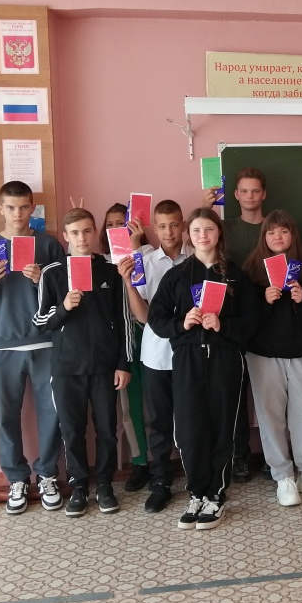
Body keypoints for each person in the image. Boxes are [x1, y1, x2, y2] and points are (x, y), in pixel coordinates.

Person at [147, 208, 257, 531]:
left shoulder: (235, 275)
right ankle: (196, 493)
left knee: (222, 426)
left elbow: (252, 320)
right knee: (190, 428)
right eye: (196, 230)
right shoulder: (177, 276)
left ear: (218, 232)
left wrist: (223, 326)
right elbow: (156, 318)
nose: (203, 236)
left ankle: (216, 494)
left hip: (225, 359)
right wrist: (182, 323)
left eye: (208, 229)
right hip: (187, 360)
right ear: (189, 234)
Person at [0, 180, 66, 515]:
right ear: (1, 209)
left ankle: (48, 475)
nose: (17, 213)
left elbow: (64, 296)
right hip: (4, 345)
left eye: (24, 207)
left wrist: (42, 281)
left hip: (45, 342)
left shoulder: (48, 244)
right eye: (11, 207)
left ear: (32, 208)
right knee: (6, 417)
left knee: (52, 413)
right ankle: (16, 480)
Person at [33, 208, 131, 517]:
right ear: (65, 236)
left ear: (95, 232)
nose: (82, 238)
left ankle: (104, 484)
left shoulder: (110, 271)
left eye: (87, 231)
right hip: (66, 367)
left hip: (104, 366)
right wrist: (63, 307)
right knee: (72, 430)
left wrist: (124, 362)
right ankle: (78, 486)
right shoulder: (52, 273)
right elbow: (40, 321)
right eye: (75, 233)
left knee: (107, 429)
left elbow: (123, 319)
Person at [243, 210, 302, 506]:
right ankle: (283, 476)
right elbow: (244, 319)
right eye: (271, 232)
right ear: (263, 237)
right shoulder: (251, 270)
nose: (277, 236)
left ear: (292, 234)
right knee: (271, 416)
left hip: (301, 350)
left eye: (283, 231)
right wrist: (265, 302)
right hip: (263, 354)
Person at [119, 199, 192, 514]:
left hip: (191, 353)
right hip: (156, 354)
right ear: (155, 228)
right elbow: (143, 316)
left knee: (192, 418)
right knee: (159, 422)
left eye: (174, 225)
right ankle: (161, 481)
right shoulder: (145, 262)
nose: (169, 232)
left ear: (183, 225)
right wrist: (128, 283)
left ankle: (198, 480)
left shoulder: (196, 258)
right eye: (162, 226)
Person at [206, 167, 268, 482]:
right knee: (236, 393)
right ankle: (240, 454)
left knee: (270, 394)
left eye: (255, 190)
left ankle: (272, 455)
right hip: (231, 320)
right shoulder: (225, 227)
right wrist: (206, 206)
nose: (250, 196)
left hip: (270, 316)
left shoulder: (273, 227)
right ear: (235, 195)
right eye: (244, 191)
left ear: (264, 194)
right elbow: (203, 244)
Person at [100, 202, 151, 494]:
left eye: (120, 223)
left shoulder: (147, 254)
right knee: (130, 406)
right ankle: (140, 461)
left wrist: (134, 246)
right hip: (120, 340)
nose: (115, 229)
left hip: (149, 334)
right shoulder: (102, 261)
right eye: (109, 224)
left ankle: (164, 458)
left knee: (159, 401)